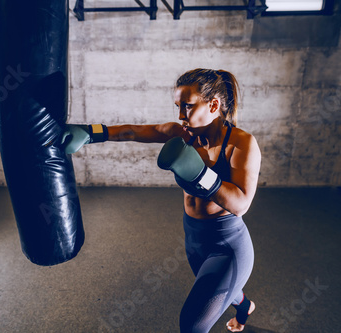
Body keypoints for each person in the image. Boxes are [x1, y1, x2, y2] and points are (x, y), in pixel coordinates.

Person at [61, 68, 261, 333]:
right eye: (178, 106)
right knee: (220, 289)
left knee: (191, 324)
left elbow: (241, 204)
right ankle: (245, 306)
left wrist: (201, 174)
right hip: (194, 239)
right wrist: (91, 132)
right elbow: (133, 131)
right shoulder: (181, 134)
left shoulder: (241, 144)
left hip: (228, 246)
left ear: (214, 105)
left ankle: (241, 307)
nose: (180, 115)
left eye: (187, 106)